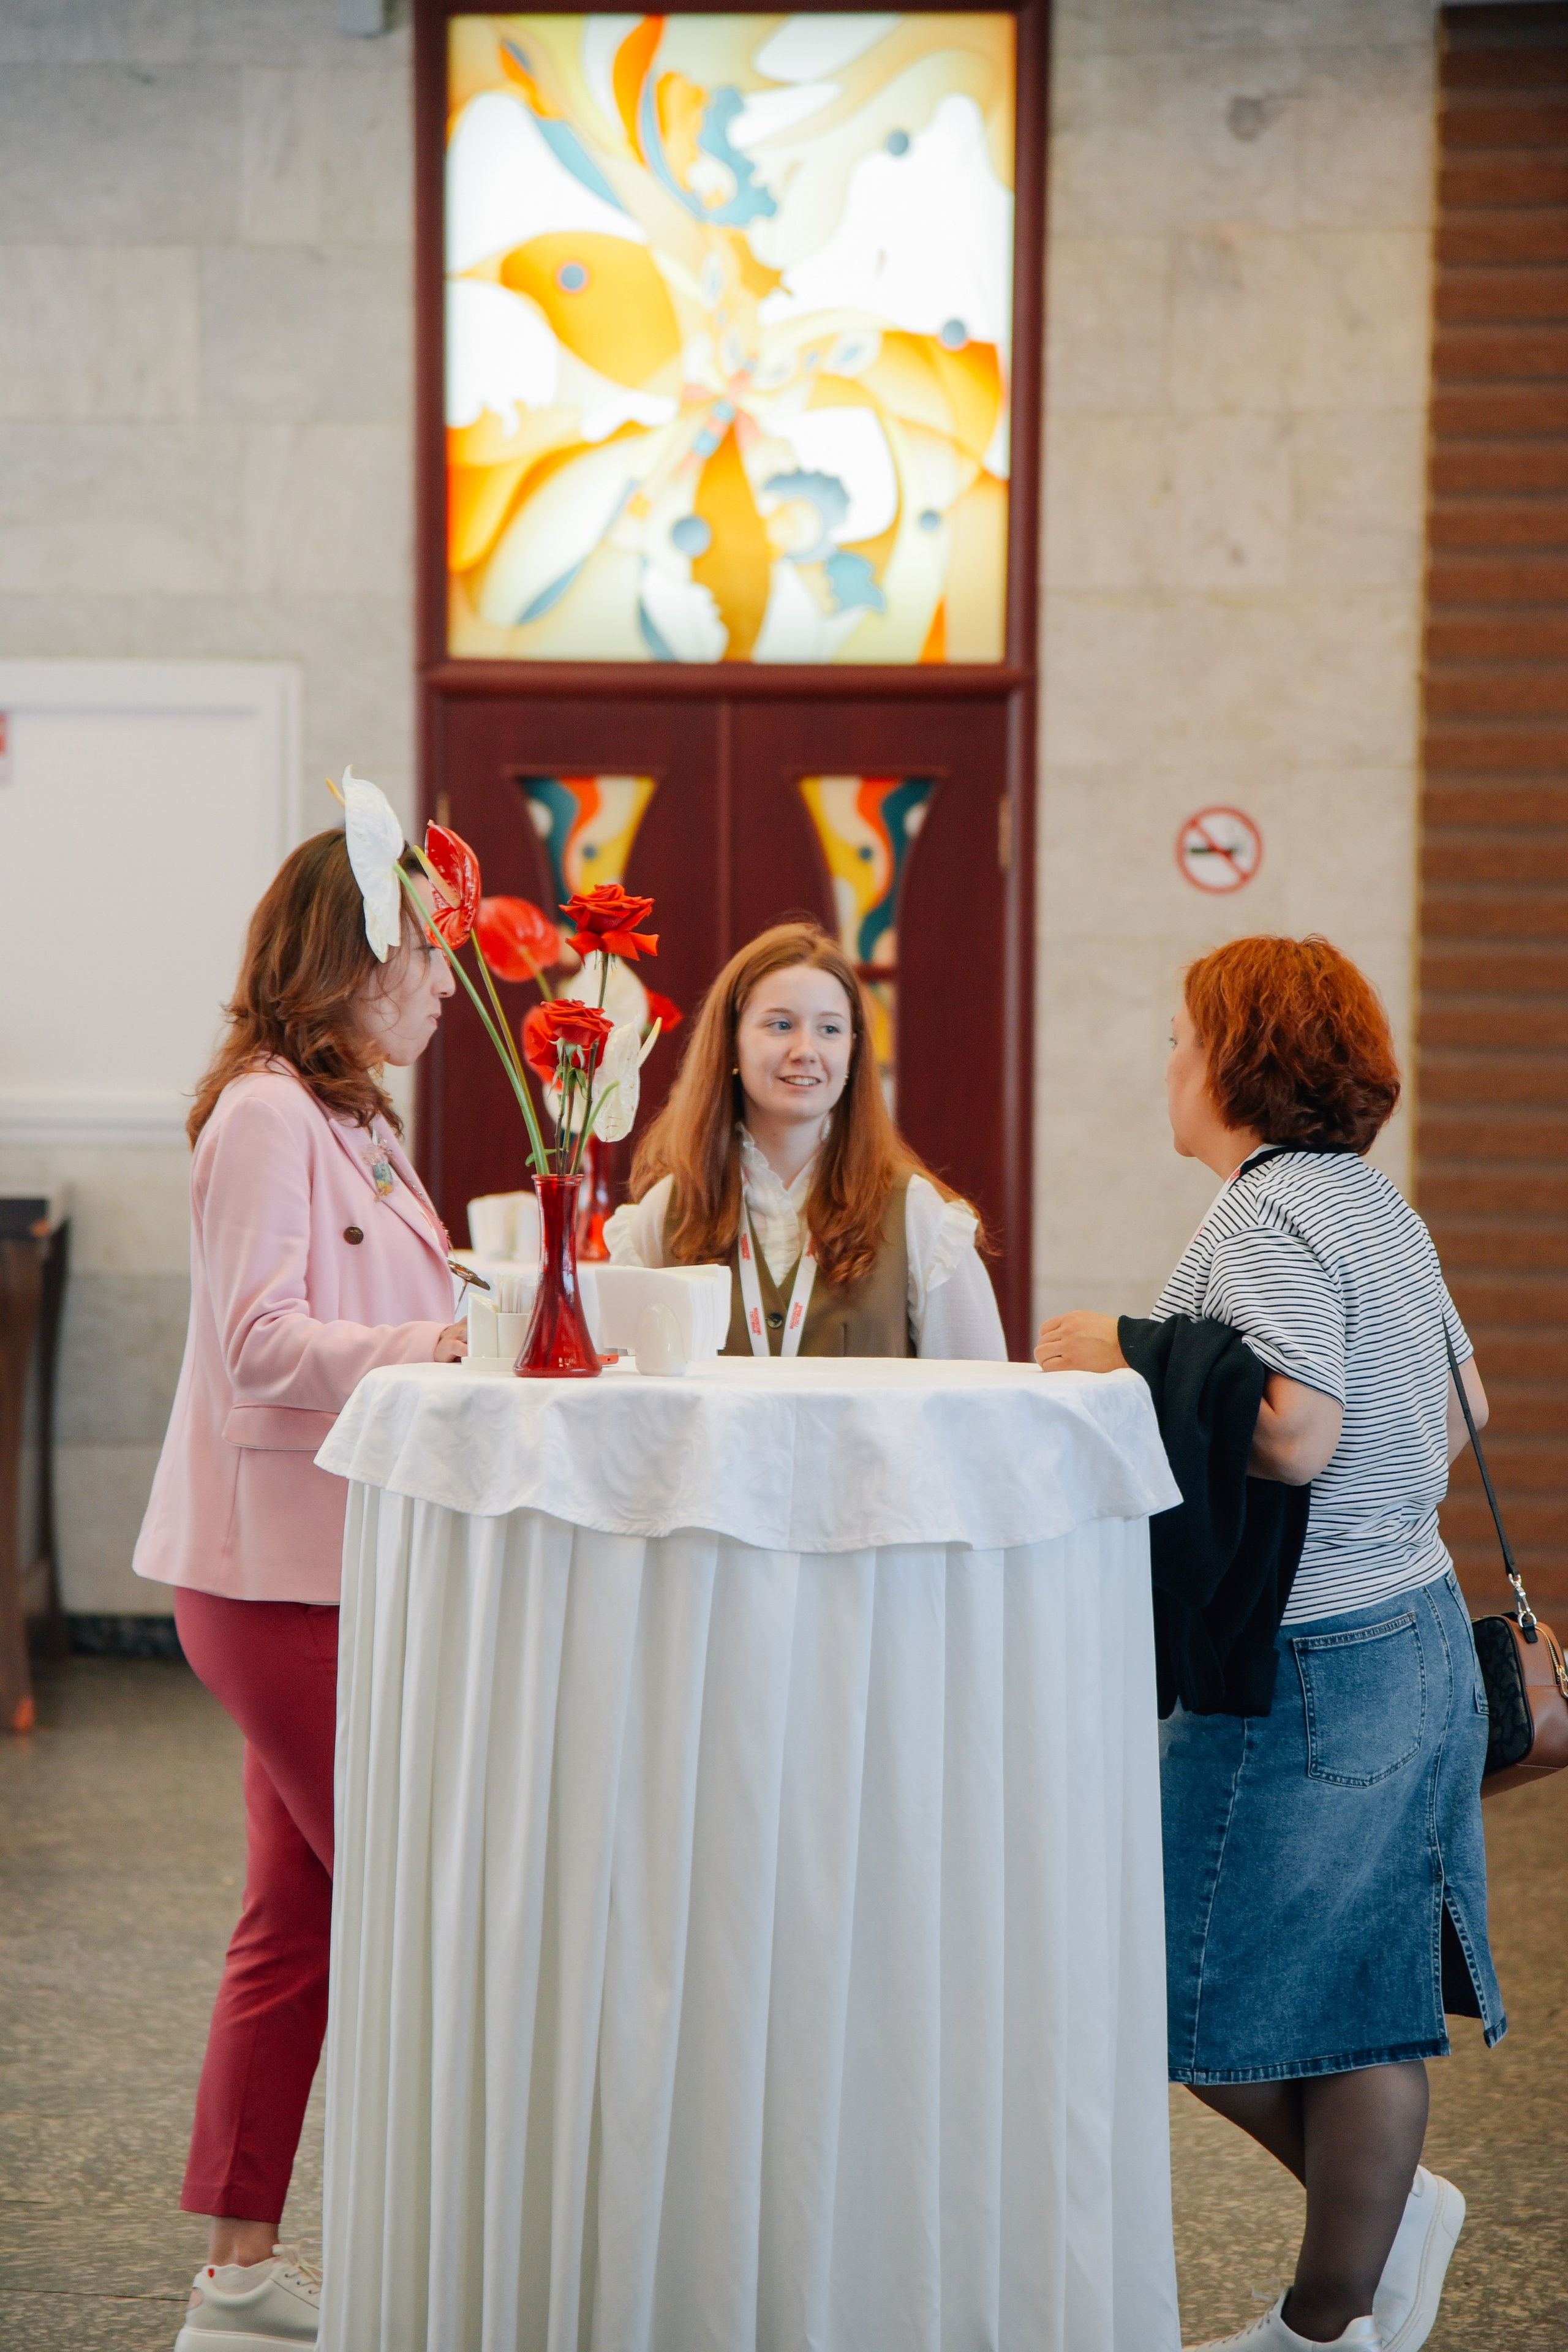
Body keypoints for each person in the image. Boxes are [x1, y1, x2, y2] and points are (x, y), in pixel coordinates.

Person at [1035, 935, 1501, 2352]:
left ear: (1236, 1060)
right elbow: (1461, 1401)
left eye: (1181, 1036)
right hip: (1410, 1626)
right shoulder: (1373, 1206)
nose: (1164, 1063)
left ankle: (1357, 2255)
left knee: (1159, 1975)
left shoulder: (1259, 1216)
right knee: (1361, 2000)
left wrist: (1110, 1342)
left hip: (1311, 1664)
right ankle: (1331, 2310)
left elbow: (1296, 1429)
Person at [134, 829, 466, 2350]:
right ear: (350, 957)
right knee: (416, 1906)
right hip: (276, 1580)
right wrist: (445, 1347)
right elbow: (260, 1344)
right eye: (424, 953)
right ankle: (445, 2249)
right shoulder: (267, 1115)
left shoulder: (357, 1121)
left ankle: (240, 2270)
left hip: (329, 1569)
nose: (444, 983)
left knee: (299, 1917)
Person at [606, 920, 1006, 1359]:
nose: (806, 1049)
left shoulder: (916, 1213)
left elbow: (977, 1401)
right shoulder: (664, 1214)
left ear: (853, 1051)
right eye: (780, 1025)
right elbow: (629, 1404)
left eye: (830, 1029)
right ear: (731, 1043)